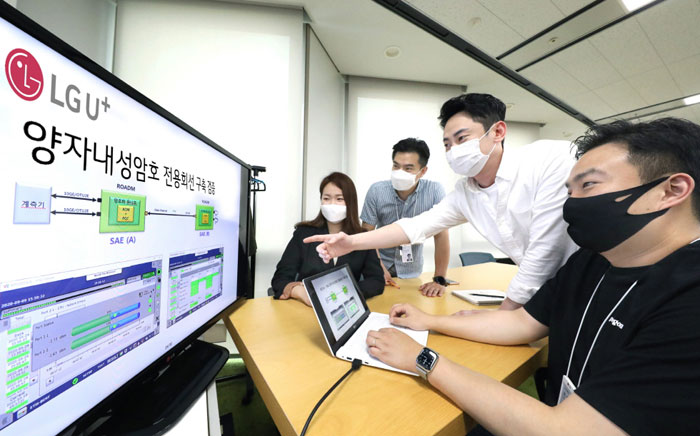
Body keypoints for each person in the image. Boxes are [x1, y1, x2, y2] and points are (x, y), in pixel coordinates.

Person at [364, 118, 700, 435]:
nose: (571, 204)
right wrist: (429, 321)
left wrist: (423, 360)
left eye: (588, 185)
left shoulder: (689, 299)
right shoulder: (592, 262)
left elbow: (565, 430)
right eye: (569, 191)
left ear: (671, 190)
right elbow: (521, 323)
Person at [306, 93, 577, 309]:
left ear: (498, 132)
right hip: (548, 293)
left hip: (581, 283)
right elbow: (416, 226)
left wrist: (508, 312)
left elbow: (545, 252)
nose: (454, 150)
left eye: (462, 138)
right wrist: (352, 242)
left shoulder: (546, 160)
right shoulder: (465, 193)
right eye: (447, 144)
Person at [271, 172, 384, 305]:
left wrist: (345, 293)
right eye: (326, 198)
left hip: (345, 307)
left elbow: (376, 280)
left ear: (350, 202)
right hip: (306, 308)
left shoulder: (361, 237)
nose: (332, 204)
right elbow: (280, 279)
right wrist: (300, 292)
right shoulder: (304, 233)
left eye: (339, 199)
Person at [361, 137, 449, 297]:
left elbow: (441, 236)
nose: (400, 172)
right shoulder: (377, 191)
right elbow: (367, 233)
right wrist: (378, 267)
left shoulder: (434, 191)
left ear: (423, 171)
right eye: (396, 166)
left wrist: (439, 279)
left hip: (411, 272)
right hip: (378, 267)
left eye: (408, 168)